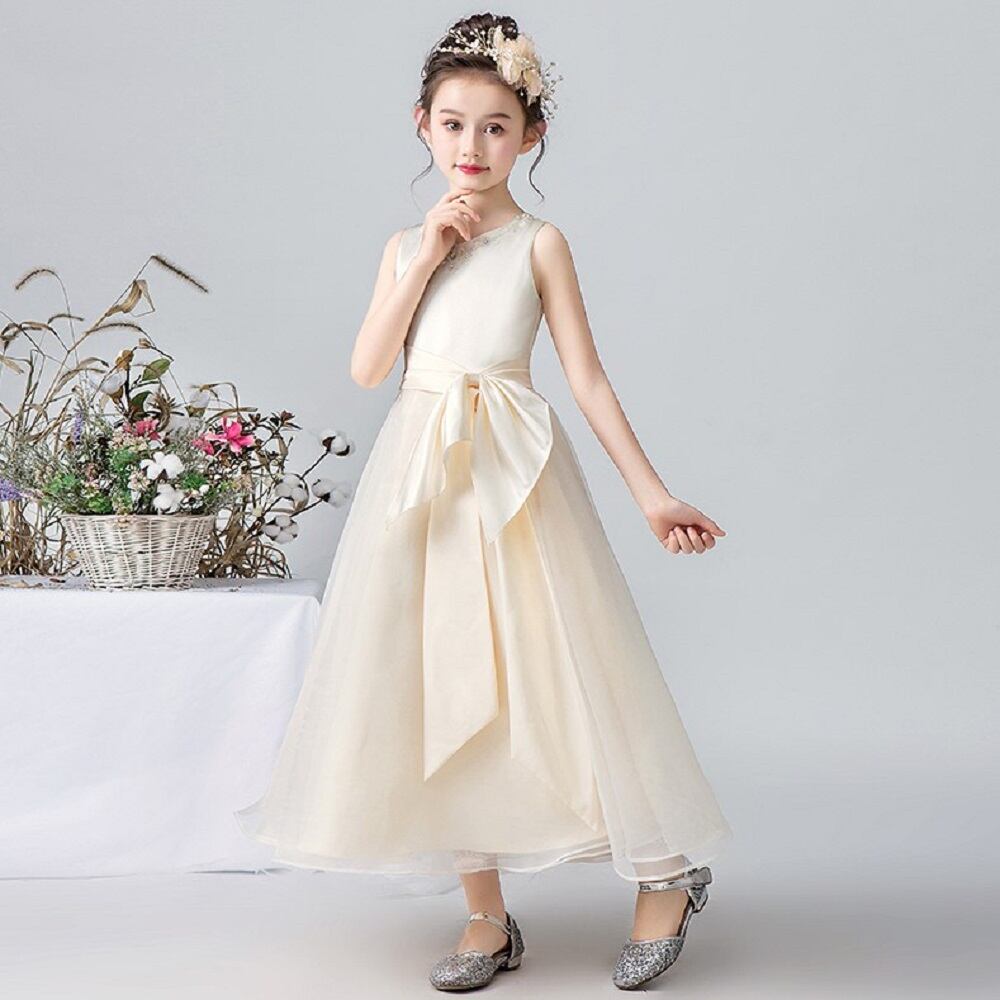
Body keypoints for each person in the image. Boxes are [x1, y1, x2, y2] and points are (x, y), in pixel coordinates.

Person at [235, 11, 733, 991]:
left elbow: (587, 379)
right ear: (421, 125)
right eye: (455, 124)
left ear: (530, 137)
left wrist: (651, 494)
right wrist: (426, 253)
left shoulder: (539, 243)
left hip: (513, 477)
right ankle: (485, 915)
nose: (473, 145)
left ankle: (665, 873)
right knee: (438, 677)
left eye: (497, 126)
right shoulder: (403, 247)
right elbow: (370, 367)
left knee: (562, 673)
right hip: (422, 482)